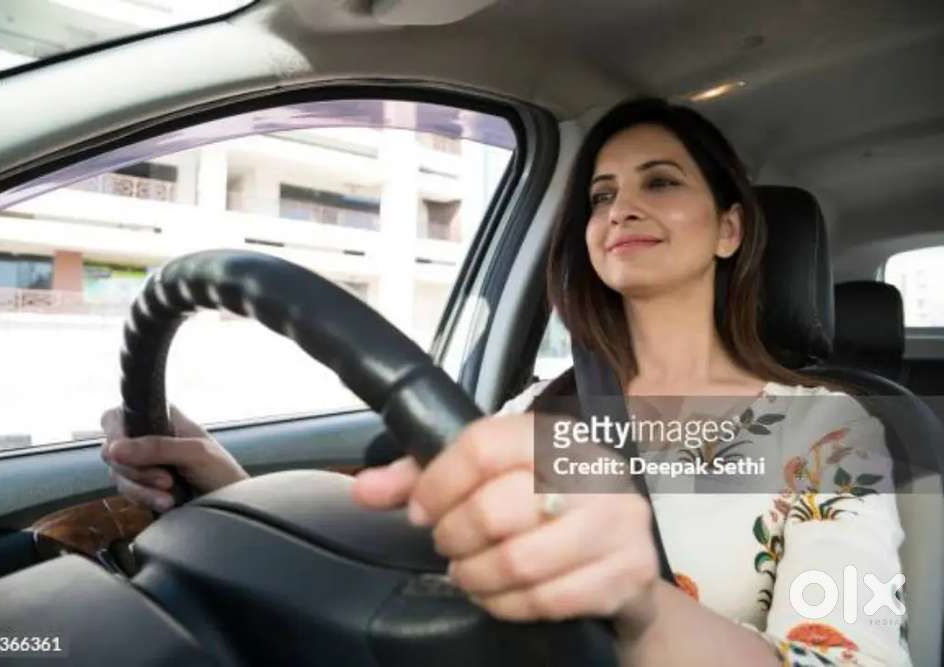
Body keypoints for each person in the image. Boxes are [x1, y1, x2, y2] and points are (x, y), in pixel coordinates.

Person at [100, 98, 910, 666]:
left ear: (729, 228)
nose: (621, 208)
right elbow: (404, 548)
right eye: (602, 194)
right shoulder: (542, 406)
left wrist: (640, 599)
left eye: (660, 181)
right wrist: (229, 490)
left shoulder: (828, 430)